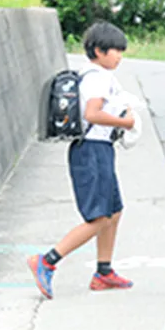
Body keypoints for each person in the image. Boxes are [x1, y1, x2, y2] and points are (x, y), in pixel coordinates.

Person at [28, 22, 137, 299]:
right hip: (90, 151)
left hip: (100, 149)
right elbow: (92, 114)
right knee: (99, 218)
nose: (120, 56)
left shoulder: (98, 76)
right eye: (115, 51)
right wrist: (125, 122)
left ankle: (103, 272)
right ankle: (48, 260)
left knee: (114, 211)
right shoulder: (97, 77)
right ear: (99, 51)